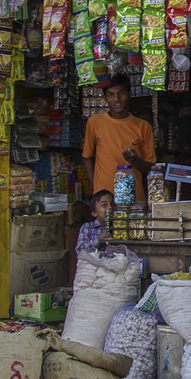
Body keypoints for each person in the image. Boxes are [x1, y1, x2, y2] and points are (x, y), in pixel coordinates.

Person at [82, 73, 156, 202]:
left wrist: (135, 160)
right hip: (104, 199)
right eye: (111, 95)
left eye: (121, 93)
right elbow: (87, 157)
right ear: (105, 97)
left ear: (129, 94)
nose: (116, 99)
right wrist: (96, 190)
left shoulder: (143, 126)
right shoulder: (95, 122)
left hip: (134, 199)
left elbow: (150, 168)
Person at [75, 190, 113, 257]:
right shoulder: (87, 227)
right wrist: (97, 241)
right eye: (104, 205)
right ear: (94, 212)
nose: (110, 207)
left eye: (112, 204)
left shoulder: (117, 227)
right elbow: (80, 250)